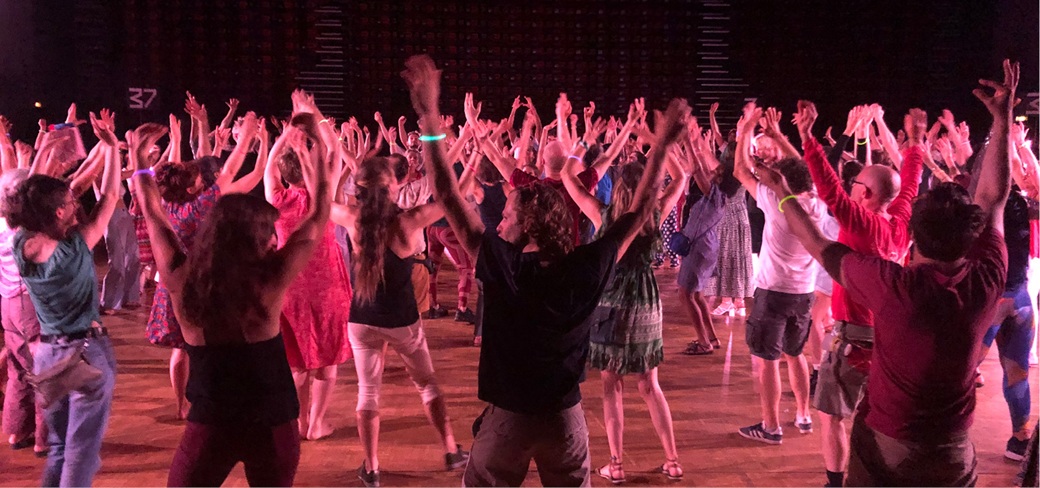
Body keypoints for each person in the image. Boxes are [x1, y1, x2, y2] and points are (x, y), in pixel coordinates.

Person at [401, 54, 690, 486]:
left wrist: (428, 115)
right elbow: (639, 212)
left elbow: (445, 190)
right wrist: (662, 148)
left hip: (508, 422)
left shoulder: (502, 262)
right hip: (564, 422)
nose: (500, 224)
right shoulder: (587, 266)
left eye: (508, 217)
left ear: (530, 225)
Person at [761, 59, 1018, 486]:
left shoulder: (896, 287)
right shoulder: (986, 277)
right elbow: (992, 197)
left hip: (889, 446)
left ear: (916, 233)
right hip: (954, 448)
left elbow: (820, 239)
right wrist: (1000, 120)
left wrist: (783, 193)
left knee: (833, 417)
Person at [135, 111, 336, 486]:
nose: (275, 238)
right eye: (270, 232)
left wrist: (140, 161)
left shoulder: (181, 278)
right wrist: (320, 144)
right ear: (257, 238)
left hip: (211, 422)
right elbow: (320, 212)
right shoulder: (269, 280)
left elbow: (153, 213)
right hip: (273, 423)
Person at [793, 101, 924, 487]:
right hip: (890, 335)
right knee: (877, 414)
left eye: (856, 185)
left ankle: (837, 483)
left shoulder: (863, 223)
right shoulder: (899, 223)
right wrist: (915, 143)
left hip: (854, 336)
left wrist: (807, 137)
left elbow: (829, 191)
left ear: (865, 194)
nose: (850, 187)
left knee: (832, 415)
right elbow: (910, 183)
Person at [560, 123, 688, 482]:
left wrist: (586, 140)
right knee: (650, 385)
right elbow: (682, 177)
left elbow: (568, 176)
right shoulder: (654, 213)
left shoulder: (602, 216)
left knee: (611, 385)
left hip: (611, 301)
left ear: (617, 187)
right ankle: (672, 460)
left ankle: (615, 464)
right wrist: (656, 142)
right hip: (646, 301)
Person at [334, 153, 467, 487]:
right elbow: (451, 197)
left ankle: (373, 468)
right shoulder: (409, 221)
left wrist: (335, 159)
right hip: (402, 321)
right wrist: (468, 154)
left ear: (360, 188)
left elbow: (320, 200)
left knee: (368, 392)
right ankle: (451, 451)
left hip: (361, 319)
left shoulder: (351, 218)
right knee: (427, 384)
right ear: (392, 187)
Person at [7, 110, 125, 486]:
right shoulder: (75, 246)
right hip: (85, 352)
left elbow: (32, 195)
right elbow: (112, 195)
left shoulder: (20, 244)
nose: (76, 205)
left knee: (59, 447)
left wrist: (50, 147)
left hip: (47, 355)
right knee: (81, 450)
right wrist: (112, 148)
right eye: (72, 203)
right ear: (59, 212)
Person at [146, 111, 266, 420]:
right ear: (192, 188)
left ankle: (181, 405)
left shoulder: (166, 204)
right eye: (197, 176)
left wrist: (175, 140)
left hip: (172, 284)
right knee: (204, 347)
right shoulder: (200, 206)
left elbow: (170, 174)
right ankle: (208, 399)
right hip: (199, 285)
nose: (200, 175)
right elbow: (231, 169)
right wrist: (248, 136)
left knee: (181, 350)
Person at [731, 102, 825, 445]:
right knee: (795, 354)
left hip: (773, 292)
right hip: (804, 293)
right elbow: (803, 170)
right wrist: (781, 137)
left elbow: (740, 171)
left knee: (768, 359)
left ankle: (770, 426)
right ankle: (803, 415)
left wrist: (746, 130)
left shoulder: (776, 203)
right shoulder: (817, 203)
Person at [264, 121, 353, 442]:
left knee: (297, 362)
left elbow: (268, 166)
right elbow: (336, 154)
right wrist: (322, 127)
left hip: (290, 284)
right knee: (327, 361)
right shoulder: (321, 200)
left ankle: (300, 423)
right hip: (328, 285)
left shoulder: (276, 199)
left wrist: (284, 137)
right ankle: (316, 424)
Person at [0, 169, 48, 457]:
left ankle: (17, 432)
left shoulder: (2, 223)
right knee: (43, 370)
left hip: (7, 302)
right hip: (28, 302)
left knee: (18, 370)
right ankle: (44, 439)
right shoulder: (25, 231)